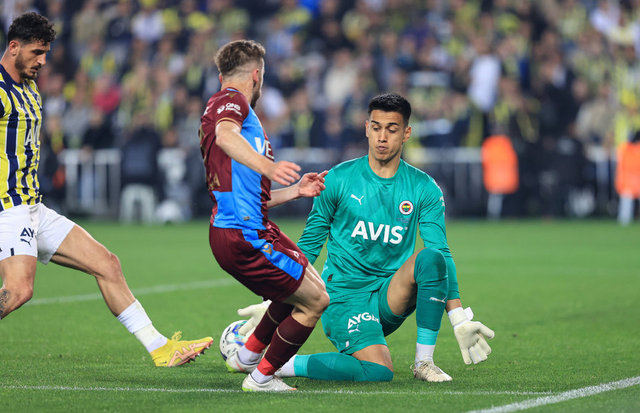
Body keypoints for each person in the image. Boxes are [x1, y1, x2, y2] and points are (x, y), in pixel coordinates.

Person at [0, 12, 213, 367]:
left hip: (34, 207)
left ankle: (160, 349)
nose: (43, 61)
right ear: (13, 47)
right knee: (19, 290)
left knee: (107, 263)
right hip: (8, 209)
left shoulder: (30, 89)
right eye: (37, 52)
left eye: (46, 53)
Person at [236, 93, 495, 382]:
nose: (382, 137)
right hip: (343, 297)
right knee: (378, 372)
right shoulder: (338, 179)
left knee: (432, 259)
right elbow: (309, 244)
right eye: (376, 127)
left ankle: (424, 363)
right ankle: (284, 364)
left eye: (392, 129)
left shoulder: (424, 188)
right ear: (366, 129)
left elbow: (441, 253)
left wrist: (459, 318)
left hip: (388, 297)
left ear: (406, 133)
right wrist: (274, 299)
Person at [200, 39, 330, 392]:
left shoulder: (232, 110)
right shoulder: (232, 101)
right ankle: (261, 378)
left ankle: (247, 357)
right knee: (316, 301)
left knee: (309, 287)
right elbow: (225, 136)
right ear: (256, 75)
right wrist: (269, 167)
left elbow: (248, 195)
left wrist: (294, 191)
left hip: (246, 226)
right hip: (244, 234)